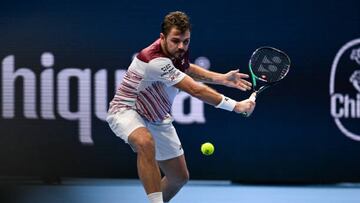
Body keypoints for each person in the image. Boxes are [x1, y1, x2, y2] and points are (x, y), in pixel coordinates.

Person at [106, 11, 256, 203]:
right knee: (145, 142)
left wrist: (221, 78)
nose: (181, 46)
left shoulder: (177, 51)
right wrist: (236, 106)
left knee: (179, 177)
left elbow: (187, 68)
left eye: (186, 41)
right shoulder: (155, 61)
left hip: (157, 117)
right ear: (162, 38)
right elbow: (196, 90)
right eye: (176, 41)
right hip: (127, 110)